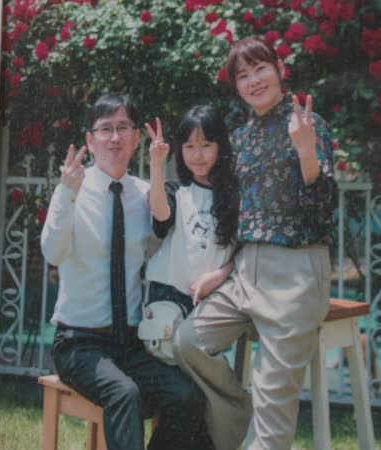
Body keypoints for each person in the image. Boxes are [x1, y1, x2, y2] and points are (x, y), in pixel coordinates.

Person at [173, 37, 338, 450]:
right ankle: (238, 421)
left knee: (273, 402)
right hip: (244, 273)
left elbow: (322, 211)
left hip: (295, 273)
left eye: (260, 68)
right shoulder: (240, 139)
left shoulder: (309, 125)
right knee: (188, 342)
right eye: (243, 75)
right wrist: (223, 272)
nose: (253, 80)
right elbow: (243, 220)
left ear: (279, 69)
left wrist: (305, 152)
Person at [41, 94, 212, 450]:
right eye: (105, 129)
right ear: (90, 141)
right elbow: (52, 253)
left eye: (123, 128)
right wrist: (65, 195)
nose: (115, 138)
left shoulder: (146, 194)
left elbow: (168, 243)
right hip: (79, 342)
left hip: (132, 342)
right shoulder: (72, 190)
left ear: (136, 138)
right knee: (124, 393)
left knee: (186, 396)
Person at [141, 106, 248, 450]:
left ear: (220, 147)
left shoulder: (236, 196)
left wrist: (219, 276)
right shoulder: (177, 192)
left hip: (210, 305)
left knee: (194, 398)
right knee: (186, 399)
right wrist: (156, 165)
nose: (197, 155)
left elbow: (244, 254)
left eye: (205, 145)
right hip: (168, 304)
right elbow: (161, 216)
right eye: (188, 146)